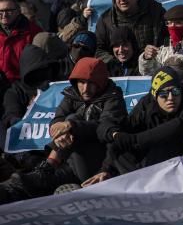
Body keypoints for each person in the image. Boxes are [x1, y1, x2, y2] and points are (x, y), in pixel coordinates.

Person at [0, 58, 125, 203]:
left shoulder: (113, 98)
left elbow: (104, 128)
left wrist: (71, 125)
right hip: (70, 160)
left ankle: (49, 167)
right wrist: (58, 131)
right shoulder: (72, 94)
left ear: (100, 83)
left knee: (73, 118)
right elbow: (58, 118)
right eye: (82, 82)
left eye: (91, 83)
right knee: (26, 184)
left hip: (98, 162)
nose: (85, 89)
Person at [90, 67, 183, 183]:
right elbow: (123, 128)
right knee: (117, 146)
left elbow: (174, 128)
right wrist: (106, 167)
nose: (171, 98)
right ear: (155, 96)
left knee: (161, 145)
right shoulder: (147, 104)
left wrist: (132, 140)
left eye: (175, 92)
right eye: (163, 94)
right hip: (153, 163)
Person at [92, 0, 168, 65]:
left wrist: (156, 52)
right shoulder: (105, 20)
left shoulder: (156, 13)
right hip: (119, 73)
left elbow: (169, 42)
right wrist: (116, 62)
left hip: (151, 68)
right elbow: (98, 50)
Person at [0, 0, 43, 88]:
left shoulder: (33, 32)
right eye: (1, 11)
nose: (4, 15)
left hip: (22, 86)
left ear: (18, 11)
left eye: (9, 10)